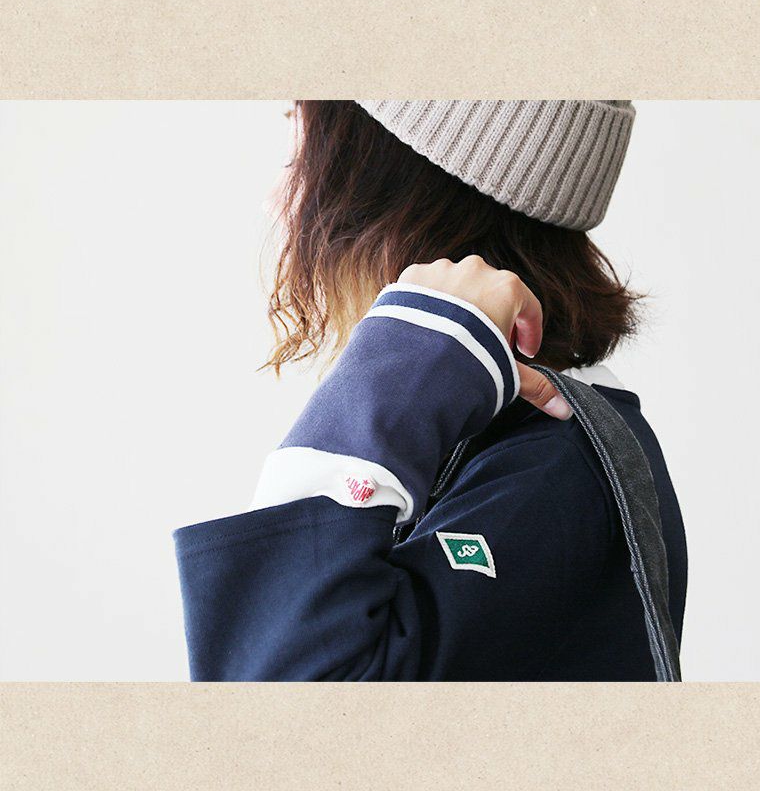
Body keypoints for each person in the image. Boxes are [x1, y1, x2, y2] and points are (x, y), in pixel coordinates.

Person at [173, 100, 688, 680]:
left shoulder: (551, 468)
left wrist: (402, 362)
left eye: (299, 151)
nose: (277, 200)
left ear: (394, 180)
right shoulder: (522, 446)